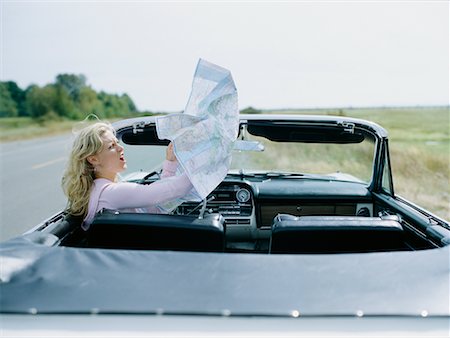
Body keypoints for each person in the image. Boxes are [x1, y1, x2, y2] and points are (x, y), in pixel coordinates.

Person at [62, 122, 193, 230]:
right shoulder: (109, 193)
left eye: (117, 143)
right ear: (93, 159)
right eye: (111, 146)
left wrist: (170, 163)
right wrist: (205, 161)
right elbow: (175, 189)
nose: (120, 148)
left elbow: (159, 204)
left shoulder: (99, 190)